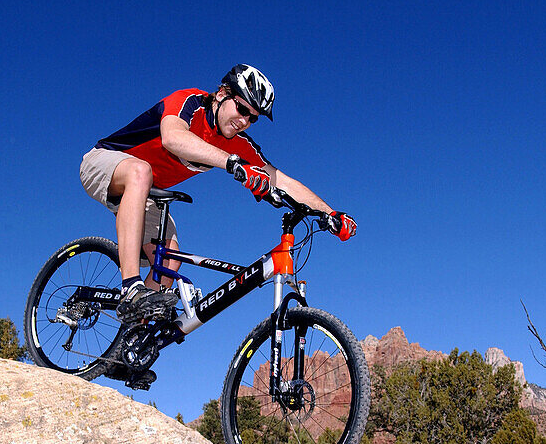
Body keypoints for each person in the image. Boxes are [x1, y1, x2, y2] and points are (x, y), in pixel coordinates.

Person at [79, 64, 356, 322]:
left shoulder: (240, 143)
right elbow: (173, 138)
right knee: (140, 171)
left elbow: (280, 179)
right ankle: (130, 287)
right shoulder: (190, 102)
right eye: (242, 109)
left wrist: (330, 212)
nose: (245, 121)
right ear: (222, 94)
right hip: (106, 161)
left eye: (252, 118)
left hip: (149, 194)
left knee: (170, 260)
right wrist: (231, 163)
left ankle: (129, 342)